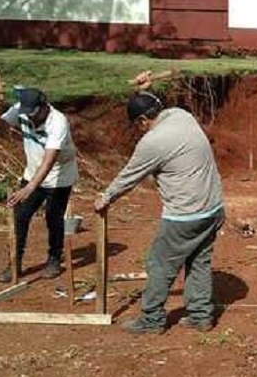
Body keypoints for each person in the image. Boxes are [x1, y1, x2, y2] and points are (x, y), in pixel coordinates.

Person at [94, 73, 225, 335]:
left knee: (159, 264)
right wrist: (145, 91)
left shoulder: (153, 142)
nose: (139, 129)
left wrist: (105, 198)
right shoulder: (181, 116)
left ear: (142, 121)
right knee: (198, 261)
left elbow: (129, 177)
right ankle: (201, 316)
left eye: (138, 125)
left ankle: (152, 319)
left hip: (185, 216)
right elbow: (156, 106)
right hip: (213, 208)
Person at [0, 80, 78, 282]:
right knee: (20, 216)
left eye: (34, 113)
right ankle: (14, 262)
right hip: (32, 173)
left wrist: (29, 188)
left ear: (44, 106)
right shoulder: (22, 110)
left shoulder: (58, 122)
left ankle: (54, 259)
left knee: (53, 218)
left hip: (60, 176)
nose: (30, 117)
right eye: (27, 113)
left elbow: (49, 160)